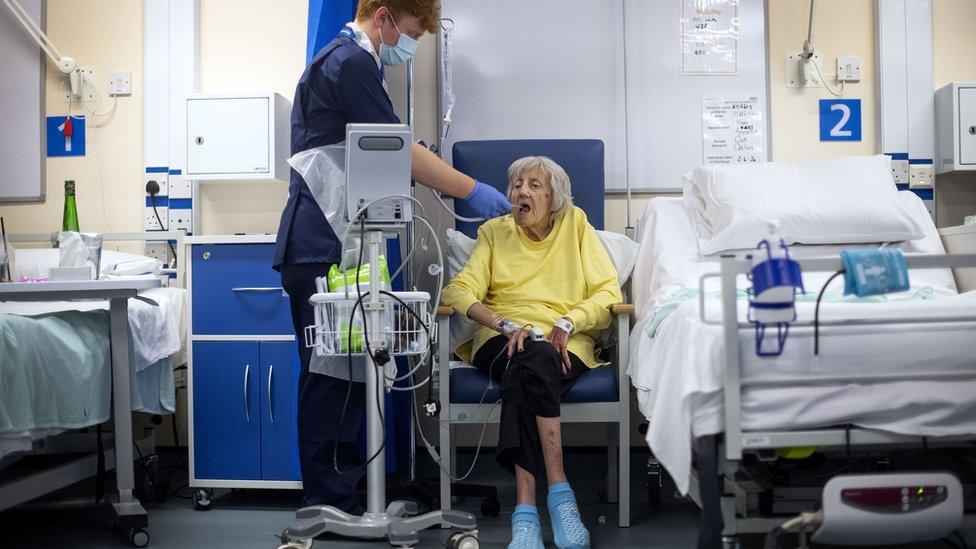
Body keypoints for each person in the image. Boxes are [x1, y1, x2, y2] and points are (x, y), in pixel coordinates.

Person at [273, 0, 511, 513]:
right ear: (382, 17)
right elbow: (396, 150)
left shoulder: (348, 63)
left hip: (336, 244)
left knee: (349, 372)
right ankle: (328, 502)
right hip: (319, 247)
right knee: (328, 375)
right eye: (409, 32)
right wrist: (470, 189)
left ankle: (347, 497)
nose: (411, 44)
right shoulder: (349, 63)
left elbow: (376, 148)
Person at [442, 156, 622, 549]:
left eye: (534, 185)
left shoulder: (577, 226)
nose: (521, 192)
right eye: (516, 184)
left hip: (564, 339)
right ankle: (560, 493)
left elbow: (608, 292)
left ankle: (525, 511)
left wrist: (569, 321)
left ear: (555, 196)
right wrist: (503, 324)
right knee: (530, 355)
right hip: (501, 339)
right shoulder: (493, 232)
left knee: (529, 363)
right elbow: (458, 291)